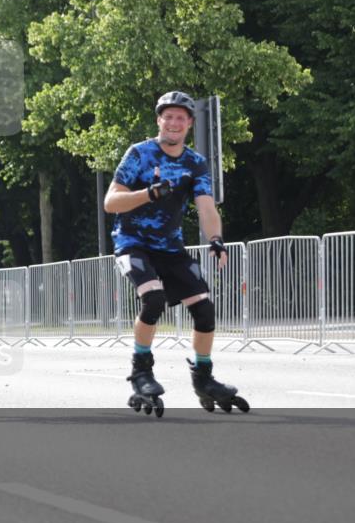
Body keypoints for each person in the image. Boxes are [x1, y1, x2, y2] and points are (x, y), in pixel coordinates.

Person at [104, 91, 249, 416]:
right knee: (153, 299)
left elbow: (207, 207)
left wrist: (216, 238)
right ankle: (141, 371)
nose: (173, 123)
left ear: (189, 124)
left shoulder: (195, 163)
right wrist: (149, 194)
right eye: (168, 117)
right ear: (159, 120)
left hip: (170, 248)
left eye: (180, 118)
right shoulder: (140, 154)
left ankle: (204, 378)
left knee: (205, 309)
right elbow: (110, 202)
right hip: (132, 242)